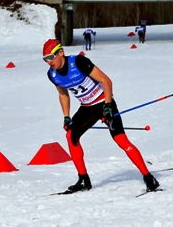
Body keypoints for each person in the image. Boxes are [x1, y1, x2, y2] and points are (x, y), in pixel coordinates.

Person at [44, 39, 159, 193]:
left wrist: (108, 105)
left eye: (50, 57)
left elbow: (106, 81)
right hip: (87, 108)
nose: (48, 62)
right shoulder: (52, 75)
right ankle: (83, 179)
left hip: (103, 103)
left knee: (121, 140)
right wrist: (66, 116)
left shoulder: (78, 62)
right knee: (71, 136)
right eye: (45, 59)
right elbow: (63, 94)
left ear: (60, 52)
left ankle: (148, 177)